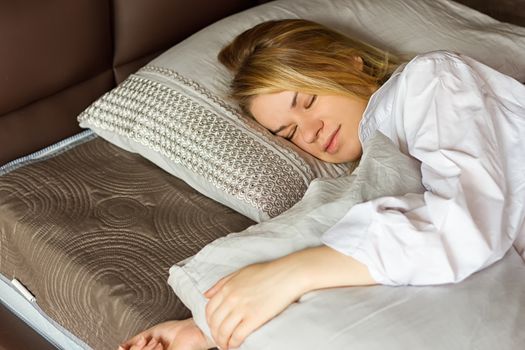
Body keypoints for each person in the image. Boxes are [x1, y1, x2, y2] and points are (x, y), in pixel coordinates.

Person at [119, 19, 525, 350]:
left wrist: (290, 273)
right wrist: (208, 325)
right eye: (289, 132)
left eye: (308, 101)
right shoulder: (379, 157)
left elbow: (467, 223)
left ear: (352, 63)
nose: (310, 134)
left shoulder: (431, 78)